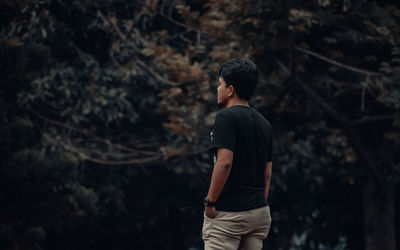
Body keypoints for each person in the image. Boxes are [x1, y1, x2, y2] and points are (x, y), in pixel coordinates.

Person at [202, 58, 273, 250]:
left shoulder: (226, 117)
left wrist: (210, 202)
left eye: (220, 84)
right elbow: (267, 173)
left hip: (229, 214)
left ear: (230, 89)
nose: (218, 88)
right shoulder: (264, 123)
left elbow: (224, 163)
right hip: (258, 212)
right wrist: (257, 201)